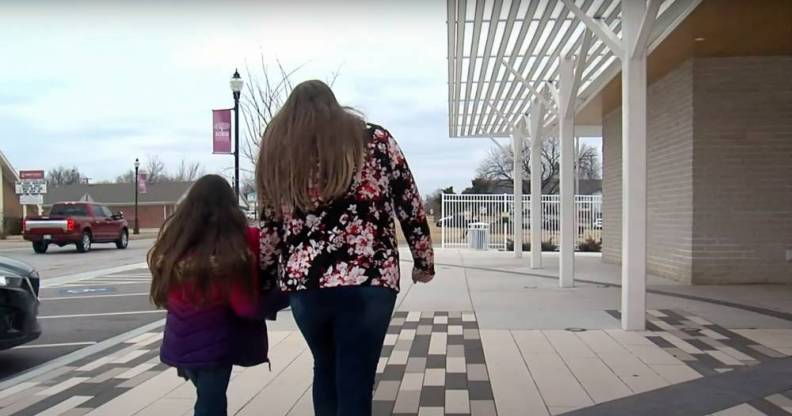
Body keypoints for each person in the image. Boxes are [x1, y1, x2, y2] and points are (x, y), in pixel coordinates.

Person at [256, 79, 435, 416]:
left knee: (325, 366)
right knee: (356, 373)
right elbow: (409, 203)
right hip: (370, 277)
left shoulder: (279, 151)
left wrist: (265, 277)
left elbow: (269, 224)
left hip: (307, 285)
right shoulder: (376, 140)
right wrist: (423, 260)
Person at [148, 174, 268, 416]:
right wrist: (283, 296)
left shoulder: (177, 244)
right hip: (215, 346)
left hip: (181, 343)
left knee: (206, 399)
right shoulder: (232, 248)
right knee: (210, 405)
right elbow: (246, 307)